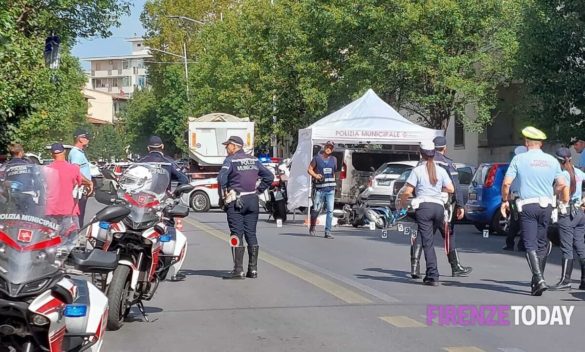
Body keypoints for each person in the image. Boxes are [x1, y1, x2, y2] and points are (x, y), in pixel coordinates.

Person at [500, 126, 568, 296]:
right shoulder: (552, 161)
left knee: (529, 243)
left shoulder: (519, 159)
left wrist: (505, 201)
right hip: (546, 206)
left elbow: (507, 183)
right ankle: (536, 282)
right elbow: (561, 184)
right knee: (541, 243)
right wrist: (552, 194)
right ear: (541, 144)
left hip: (528, 205)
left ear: (526, 142)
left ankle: (538, 278)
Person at [409, 136, 471, 279]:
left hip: (423, 205)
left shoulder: (421, 163)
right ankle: (455, 267)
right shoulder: (447, 163)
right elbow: (455, 187)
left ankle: (415, 267)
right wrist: (460, 205)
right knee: (449, 234)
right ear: (444, 148)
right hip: (443, 207)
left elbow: (413, 186)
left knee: (421, 233)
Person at [399, 141, 454, 286]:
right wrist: (439, 192)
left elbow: (408, 191)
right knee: (429, 239)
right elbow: (451, 188)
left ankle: (432, 274)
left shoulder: (417, 171)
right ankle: (432, 272)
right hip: (439, 208)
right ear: (434, 153)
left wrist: (402, 202)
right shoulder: (441, 170)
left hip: (424, 208)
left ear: (421, 154)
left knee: (427, 243)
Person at [218, 136, 273, 280]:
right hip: (252, 200)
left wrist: (222, 197)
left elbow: (221, 179)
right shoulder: (254, 160)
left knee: (236, 234)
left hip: (236, 200)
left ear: (235, 146)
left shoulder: (230, 160)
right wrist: (259, 191)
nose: (226, 148)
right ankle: (253, 270)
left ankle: (238, 270)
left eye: (227, 145)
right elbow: (269, 176)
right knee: (251, 234)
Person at [550, 147, 585, 290]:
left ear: (559, 161)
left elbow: (561, 190)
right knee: (581, 247)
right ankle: (583, 281)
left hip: (567, 212)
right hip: (580, 213)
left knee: (567, 247)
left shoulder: (562, 175)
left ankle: (566, 280)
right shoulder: (579, 172)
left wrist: (560, 198)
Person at [46, 143, 92, 231]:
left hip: (51, 211)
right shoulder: (73, 169)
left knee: (51, 240)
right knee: (70, 241)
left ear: (52, 154)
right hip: (69, 211)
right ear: (65, 152)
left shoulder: (46, 170)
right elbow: (80, 182)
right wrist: (89, 183)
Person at [307, 141, 338, 239]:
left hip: (330, 190)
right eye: (327, 147)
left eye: (331, 147)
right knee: (316, 210)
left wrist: (334, 187)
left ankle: (327, 231)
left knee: (330, 211)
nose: (329, 149)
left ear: (333, 149)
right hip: (320, 189)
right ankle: (312, 227)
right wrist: (316, 175)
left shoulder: (334, 159)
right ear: (324, 147)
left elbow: (333, 173)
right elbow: (309, 169)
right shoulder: (317, 158)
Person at [503, 146, 528, 252]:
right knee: (525, 222)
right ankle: (521, 244)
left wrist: (506, 198)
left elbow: (507, 183)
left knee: (515, 220)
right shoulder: (528, 167)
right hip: (525, 198)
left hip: (515, 198)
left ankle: (510, 243)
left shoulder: (514, 166)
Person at [68, 128, 94, 227]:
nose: (88, 140)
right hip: (78, 190)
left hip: (81, 189)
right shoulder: (76, 153)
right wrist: (89, 183)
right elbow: (76, 172)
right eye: (86, 137)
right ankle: (76, 237)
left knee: (80, 214)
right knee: (78, 215)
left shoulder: (79, 152)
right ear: (80, 139)